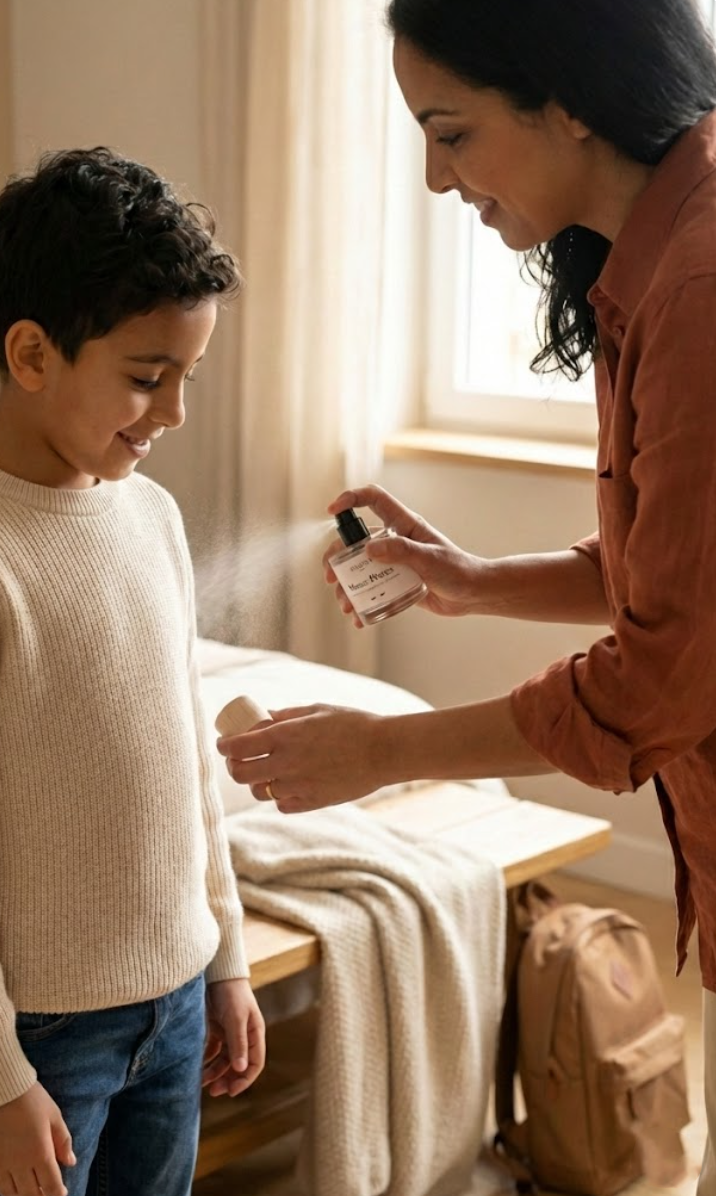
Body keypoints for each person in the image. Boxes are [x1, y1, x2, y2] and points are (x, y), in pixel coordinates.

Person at [216, 0, 716, 1186]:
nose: (439, 181)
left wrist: (382, 752)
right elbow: (670, 574)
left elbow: (664, 669)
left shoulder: (697, 286)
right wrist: (470, 580)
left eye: (451, 133)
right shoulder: (652, 261)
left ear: (565, 101)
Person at [0, 147, 265, 1196]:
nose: (173, 412)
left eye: (187, 376)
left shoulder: (153, 515)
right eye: (146, 376)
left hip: (177, 1002)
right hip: (38, 1039)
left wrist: (223, 956)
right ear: (33, 352)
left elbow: (186, 769)